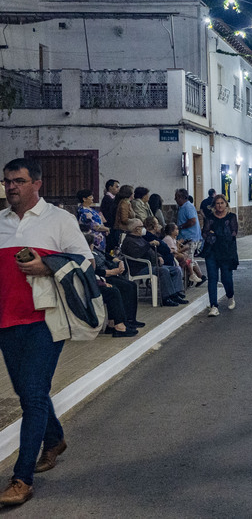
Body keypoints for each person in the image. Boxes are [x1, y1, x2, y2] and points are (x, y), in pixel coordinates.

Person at [0, 158, 92, 506]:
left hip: (45, 321)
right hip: (6, 322)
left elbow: (86, 261)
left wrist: (47, 265)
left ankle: (21, 479)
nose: (11, 187)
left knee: (35, 395)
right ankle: (54, 439)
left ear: (36, 184)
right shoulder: (1, 222)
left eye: (18, 181)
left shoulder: (59, 220)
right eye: (7, 181)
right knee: (28, 393)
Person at [120, 219, 186, 307]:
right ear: (136, 229)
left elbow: (150, 251)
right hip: (139, 268)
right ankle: (166, 297)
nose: (143, 228)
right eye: (141, 226)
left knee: (175, 270)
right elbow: (136, 254)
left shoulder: (140, 238)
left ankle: (176, 293)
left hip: (150, 265)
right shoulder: (129, 241)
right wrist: (149, 244)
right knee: (163, 271)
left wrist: (158, 256)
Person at [202, 194, 240, 317]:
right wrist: (210, 235)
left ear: (226, 204)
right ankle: (214, 306)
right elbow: (205, 232)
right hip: (212, 251)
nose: (219, 205)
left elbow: (234, 232)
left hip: (226, 251)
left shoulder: (231, 217)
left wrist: (218, 234)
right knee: (212, 278)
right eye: (217, 203)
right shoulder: (210, 218)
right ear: (214, 205)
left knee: (226, 278)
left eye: (222, 203)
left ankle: (230, 296)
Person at [174, 188, 202, 277]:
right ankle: (199, 276)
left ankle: (197, 276)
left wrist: (180, 226)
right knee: (189, 259)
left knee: (188, 259)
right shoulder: (182, 207)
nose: (175, 200)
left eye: (176, 197)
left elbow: (192, 221)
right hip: (185, 238)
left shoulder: (188, 207)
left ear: (181, 198)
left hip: (190, 237)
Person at [109, 184, 134, 251]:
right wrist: (135, 221)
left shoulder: (128, 203)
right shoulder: (124, 203)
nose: (133, 194)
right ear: (129, 193)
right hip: (122, 231)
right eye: (132, 192)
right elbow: (124, 219)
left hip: (124, 230)